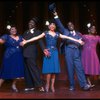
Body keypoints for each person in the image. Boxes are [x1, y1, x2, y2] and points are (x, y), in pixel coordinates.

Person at [20, 21, 84, 92]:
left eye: (54, 25)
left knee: (54, 70)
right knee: (49, 70)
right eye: (51, 25)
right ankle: (47, 84)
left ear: (55, 27)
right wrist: (26, 41)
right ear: (49, 26)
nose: (52, 26)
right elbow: (36, 38)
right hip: (48, 52)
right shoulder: (46, 33)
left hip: (55, 52)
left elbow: (67, 37)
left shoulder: (57, 34)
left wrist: (77, 41)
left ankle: (52, 86)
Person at [50, 10, 91, 91]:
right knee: (70, 68)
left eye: (71, 24)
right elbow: (59, 24)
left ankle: (84, 85)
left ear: (74, 25)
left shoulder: (79, 33)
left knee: (80, 68)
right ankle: (72, 85)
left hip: (76, 51)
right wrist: (55, 15)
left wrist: (81, 43)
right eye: (68, 25)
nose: (70, 25)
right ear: (67, 27)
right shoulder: (65, 31)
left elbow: (81, 42)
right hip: (68, 50)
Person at [22, 18, 49, 92]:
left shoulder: (38, 32)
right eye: (29, 22)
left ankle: (40, 85)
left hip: (32, 53)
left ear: (35, 24)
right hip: (24, 53)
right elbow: (22, 41)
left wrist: (44, 49)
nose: (30, 23)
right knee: (27, 71)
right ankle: (30, 86)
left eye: (32, 22)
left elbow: (40, 41)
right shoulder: (25, 32)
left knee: (34, 70)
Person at [0, 25, 25, 92]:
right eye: (12, 29)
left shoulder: (20, 37)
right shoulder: (6, 36)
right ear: (9, 31)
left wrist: (23, 43)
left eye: (15, 29)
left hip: (18, 56)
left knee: (17, 72)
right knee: (6, 71)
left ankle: (13, 85)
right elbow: (0, 41)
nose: (14, 30)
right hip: (9, 56)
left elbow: (26, 42)